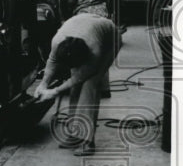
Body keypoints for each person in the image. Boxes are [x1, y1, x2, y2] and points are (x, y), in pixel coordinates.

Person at [33, 13, 121, 156]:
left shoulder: (95, 49)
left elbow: (81, 76)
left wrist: (55, 91)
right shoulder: (57, 41)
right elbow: (52, 62)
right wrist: (43, 85)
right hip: (85, 26)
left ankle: (88, 141)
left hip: (110, 39)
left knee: (90, 85)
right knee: (75, 87)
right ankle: (74, 134)